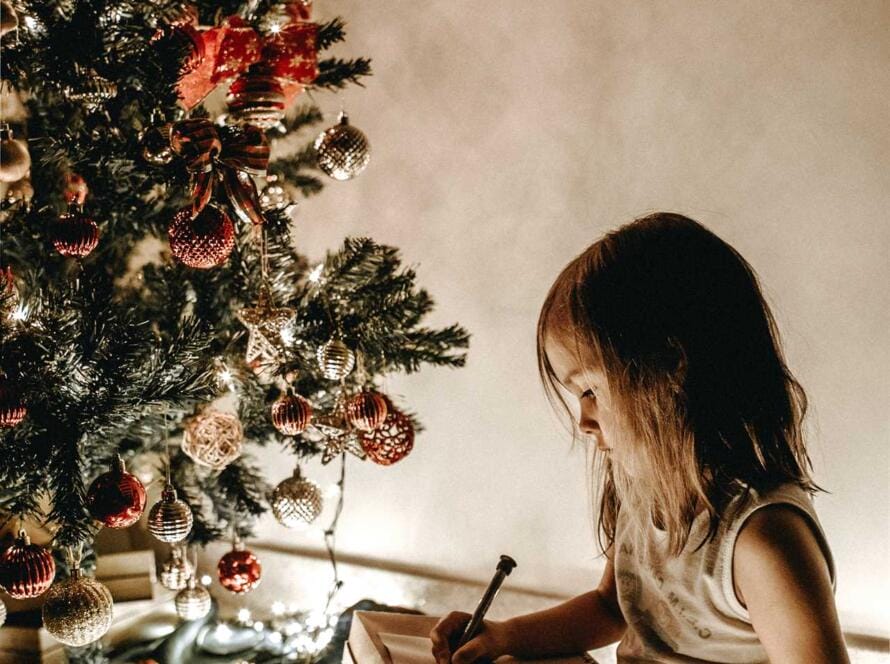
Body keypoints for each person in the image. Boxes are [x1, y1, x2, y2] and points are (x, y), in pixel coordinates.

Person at [430, 213, 849, 663]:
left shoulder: (763, 539)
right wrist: (505, 636)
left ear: (670, 370)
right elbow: (612, 607)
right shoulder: (645, 492)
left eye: (590, 391)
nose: (583, 421)